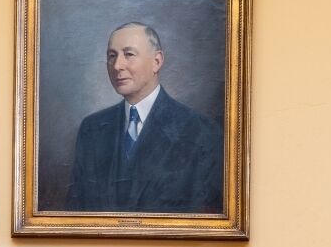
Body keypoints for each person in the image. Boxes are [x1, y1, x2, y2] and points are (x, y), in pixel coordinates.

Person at [62, 19, 223, 214]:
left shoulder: (201, 132)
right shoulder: (92, 128)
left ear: (157, 61)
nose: (117, 66)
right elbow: (74, 214)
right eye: (112, 56)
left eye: (129, 54)